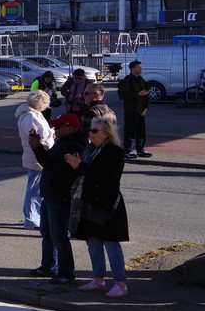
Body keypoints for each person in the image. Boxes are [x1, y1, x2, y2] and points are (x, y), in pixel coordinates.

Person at [68, 117, 130, 298]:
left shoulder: (114, 152)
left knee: (111, 244)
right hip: (90, 204)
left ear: (106, 134)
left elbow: (107, 178)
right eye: (89, 129)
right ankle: (98, 280)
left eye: (95, 130)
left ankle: (120, 284)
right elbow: (85, 175)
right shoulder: (90, 150)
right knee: (93, 243)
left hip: (108, 206)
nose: (90, 133)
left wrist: (81, 167)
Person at [30, 112, 88, 284]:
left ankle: (66, 273)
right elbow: (51, 161)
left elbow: (53, 165)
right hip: (51, 195)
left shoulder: (74, 145)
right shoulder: (64, 141)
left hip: (60, 197)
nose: (55, 129)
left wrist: (37, 148)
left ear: (70, 128)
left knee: (60, 237)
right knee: (48, 234)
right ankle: (48, 266)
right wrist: (39, 146)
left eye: (58, 127)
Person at [16, 90, 54, 230]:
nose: (46, 106)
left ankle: (35, 217)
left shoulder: (33, 114)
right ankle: (31, 219)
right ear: (40, 103)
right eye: (45, 103)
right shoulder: (30, 116)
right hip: (35, 155)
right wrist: (52, 133)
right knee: (35, 189)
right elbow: (37, 136)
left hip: (36, 154)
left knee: (37, 188)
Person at [117, 60, 153, 159]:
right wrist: (137, 94)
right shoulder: (127, 80)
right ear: (132, 68)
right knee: (130, 131)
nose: (141, 69)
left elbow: (147, 94)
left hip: (141, 110)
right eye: (138, 67)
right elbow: (124, 95)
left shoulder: (141, 80)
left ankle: (141, 150)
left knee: (141, 131)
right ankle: (127, 151)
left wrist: (146, 108)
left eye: (141, 67)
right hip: (131, 110)